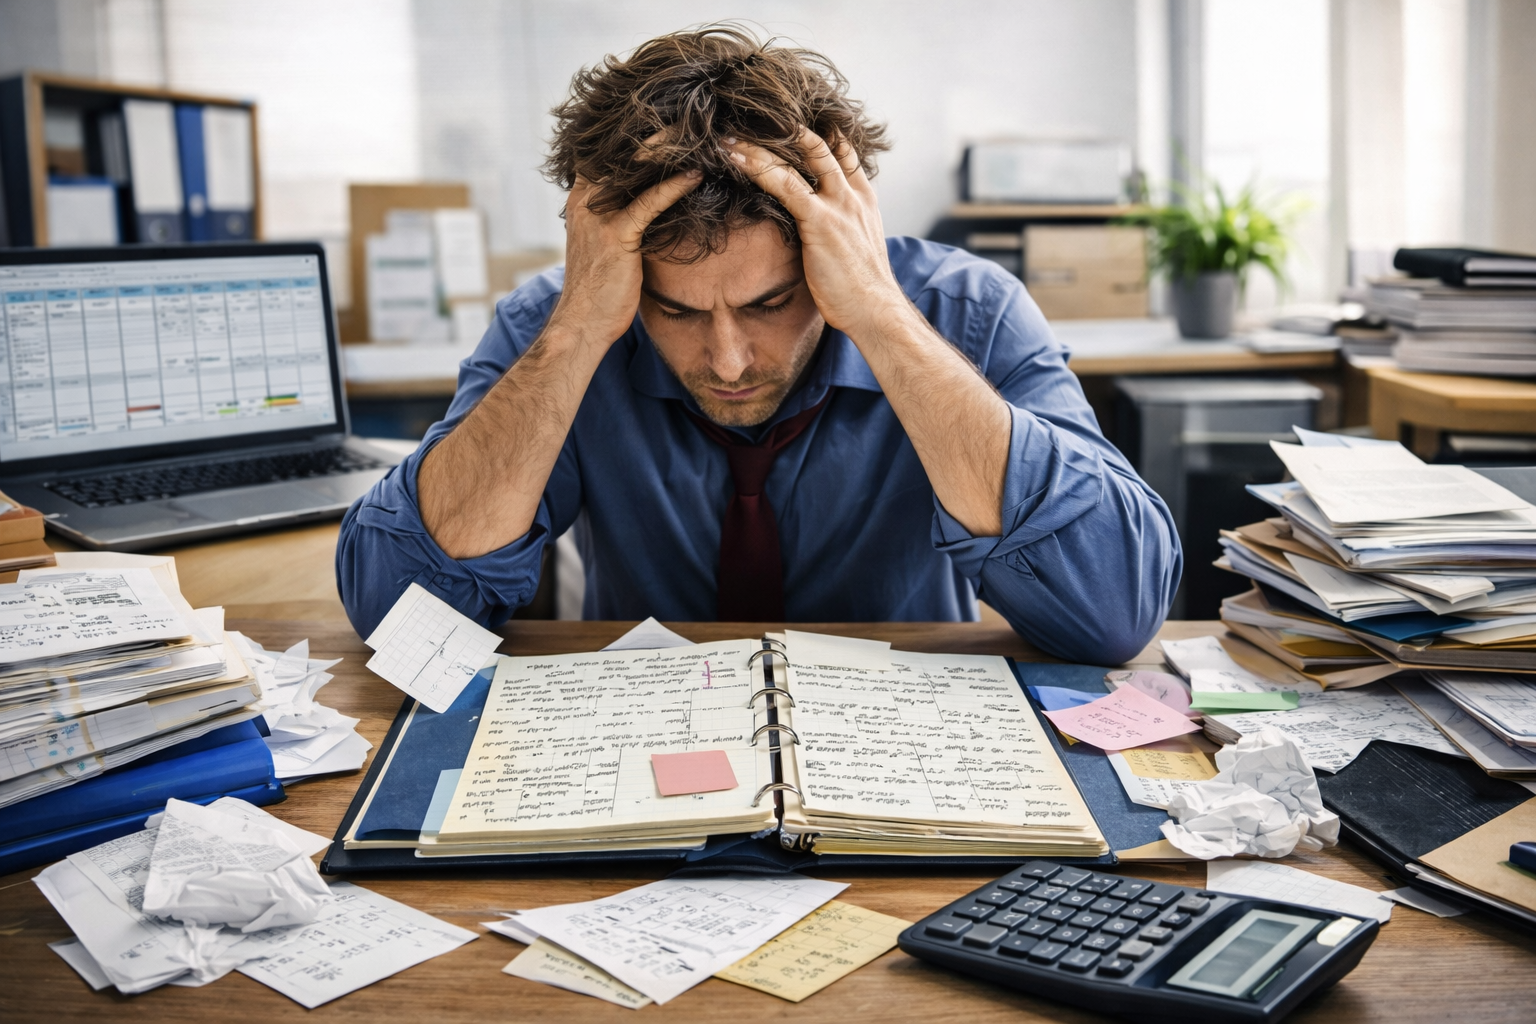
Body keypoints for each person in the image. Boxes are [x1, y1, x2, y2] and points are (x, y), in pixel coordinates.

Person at [336, 25, 1180, 664]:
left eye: (772, 302)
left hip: (917, 755)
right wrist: (578, 333)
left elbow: (1114, 612)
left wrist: (880, 316)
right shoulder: (559, 326)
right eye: (676, 312)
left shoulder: (969, 311)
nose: (730, 361)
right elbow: (404, 630)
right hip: (637, 755)